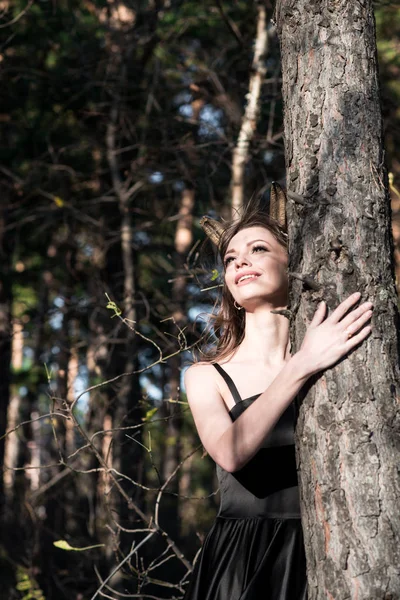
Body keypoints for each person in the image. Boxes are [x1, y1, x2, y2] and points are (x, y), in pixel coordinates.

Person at [183, 186, 373, 600]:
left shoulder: (337, 355)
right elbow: (230, 452)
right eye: (231, 259)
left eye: (258, 250)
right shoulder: (205, 375)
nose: (241, 263)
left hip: (329, 549)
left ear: (294, 261)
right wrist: (301, 364)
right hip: (243, 561)